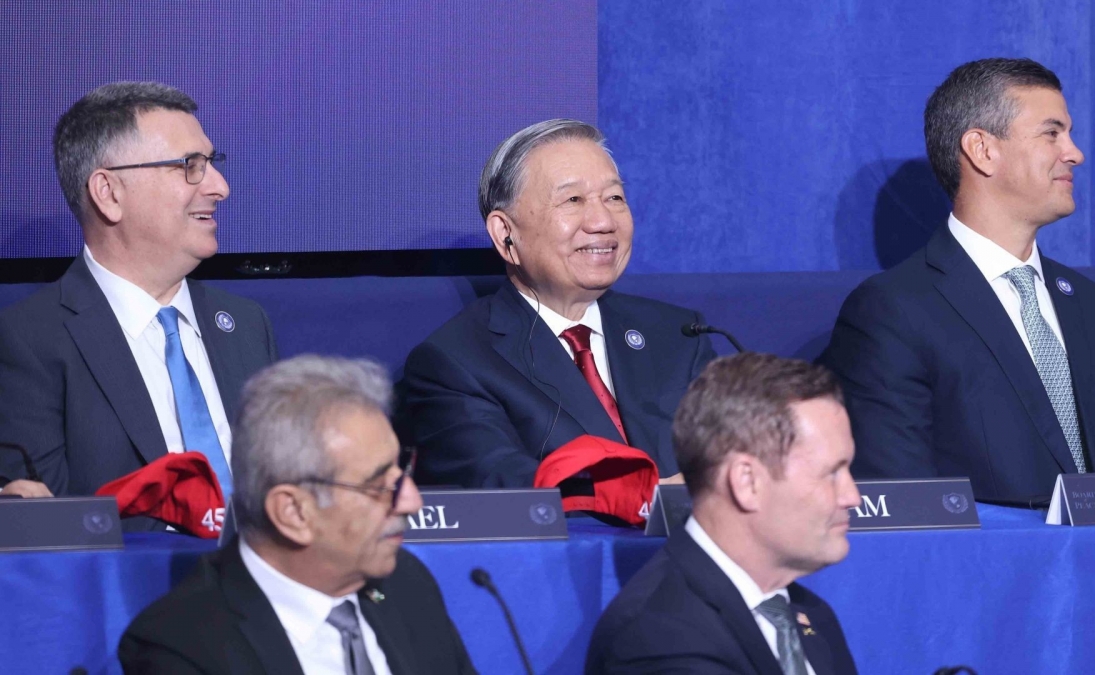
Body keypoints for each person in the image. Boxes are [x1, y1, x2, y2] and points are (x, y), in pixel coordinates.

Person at [819, 58, 1095, 503]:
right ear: (983, 150)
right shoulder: (892, 313)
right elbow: (910, 509)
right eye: (1051, 133)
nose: (1075, 153)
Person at [0, 82, 277, 518]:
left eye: (211, 163)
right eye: (190, 165)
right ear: (109, 193)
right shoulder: (28, 342)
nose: (219, 187)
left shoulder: (245, 323)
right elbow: (53, 530)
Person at [398, 119, 716, 488]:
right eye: (573, 200)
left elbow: (741, 455)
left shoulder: (678, 335)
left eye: (614, 198)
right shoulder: (454, 363)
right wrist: (644, 494)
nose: (603, 221)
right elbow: (503, 484)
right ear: (506, 235)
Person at [119, 355, 476, 674]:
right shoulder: (182, 649)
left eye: (403, 472)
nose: (412, 501)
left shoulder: (409, 586)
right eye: (378, 486)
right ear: (293, 513)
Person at [586, 353, 860, 674]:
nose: (852, 496)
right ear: (746, 482)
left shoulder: (809, 614)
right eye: (831, 473)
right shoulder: (660, 638)